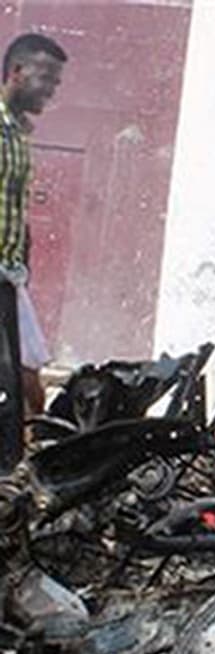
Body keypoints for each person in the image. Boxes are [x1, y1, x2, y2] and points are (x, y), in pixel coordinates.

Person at [0, 33, 65, 466]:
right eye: (45, 78)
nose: (51, 90)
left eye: (56, 82)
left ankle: (16, 473)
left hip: (8, 276)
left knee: (24, 379)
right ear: (17, 72)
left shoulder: (19, 133)